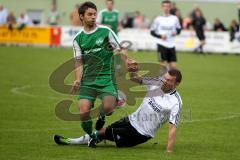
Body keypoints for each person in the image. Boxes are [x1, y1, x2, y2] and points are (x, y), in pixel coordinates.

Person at [54, 66, 183, 152]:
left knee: (101, 133)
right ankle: (90, 135)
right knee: (101, 132)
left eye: (169, 80)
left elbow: (173, 127)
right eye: (164, 78)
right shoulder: (157, 82)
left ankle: (71, 141)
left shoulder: (175, 102)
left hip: (140, 133)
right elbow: (135, 78)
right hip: (130, 119)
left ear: (177, 84)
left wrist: (169, 151)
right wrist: (133, 69)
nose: (164, 81)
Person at [70, 1, 129, 144]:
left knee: (109, 108)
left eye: (95, 14)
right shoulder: (78, 39)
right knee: (84, 112)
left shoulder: (105, 31)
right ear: (81, 16)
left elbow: (120, 49)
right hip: (88, 81)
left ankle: (102, 115)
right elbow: (78, 62)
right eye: (89, 14)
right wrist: (78, 79)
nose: (93, 17)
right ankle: (92, 135)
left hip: (106, 78)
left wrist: (126, 62)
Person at [150, 0, 181, 69]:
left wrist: (176, 32)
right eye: (164, 6)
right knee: (163, 67)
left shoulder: (175, 18)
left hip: (171, 45)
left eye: (168, 6)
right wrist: (160, 36)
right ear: (162, 7)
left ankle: (170, 79)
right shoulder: (158, 19)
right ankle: (162, 80)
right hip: (161, 45)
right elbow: (152, 32)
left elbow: (179, 29)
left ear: (170, 7)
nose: (166, 8)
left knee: (173, 67)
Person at [97, 0, 123, 75]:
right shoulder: (102, 13)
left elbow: (120, 23)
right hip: (105, 35)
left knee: (117, 50)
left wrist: (120, 26)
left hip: (114, 35)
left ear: (113, 4)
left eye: (110, 4)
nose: (109, 5)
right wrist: (106, 26)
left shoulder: (116, 13)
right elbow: (98, 23)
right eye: (108, 4)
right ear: (106, 5)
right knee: (105, 51)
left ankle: (118, 67)